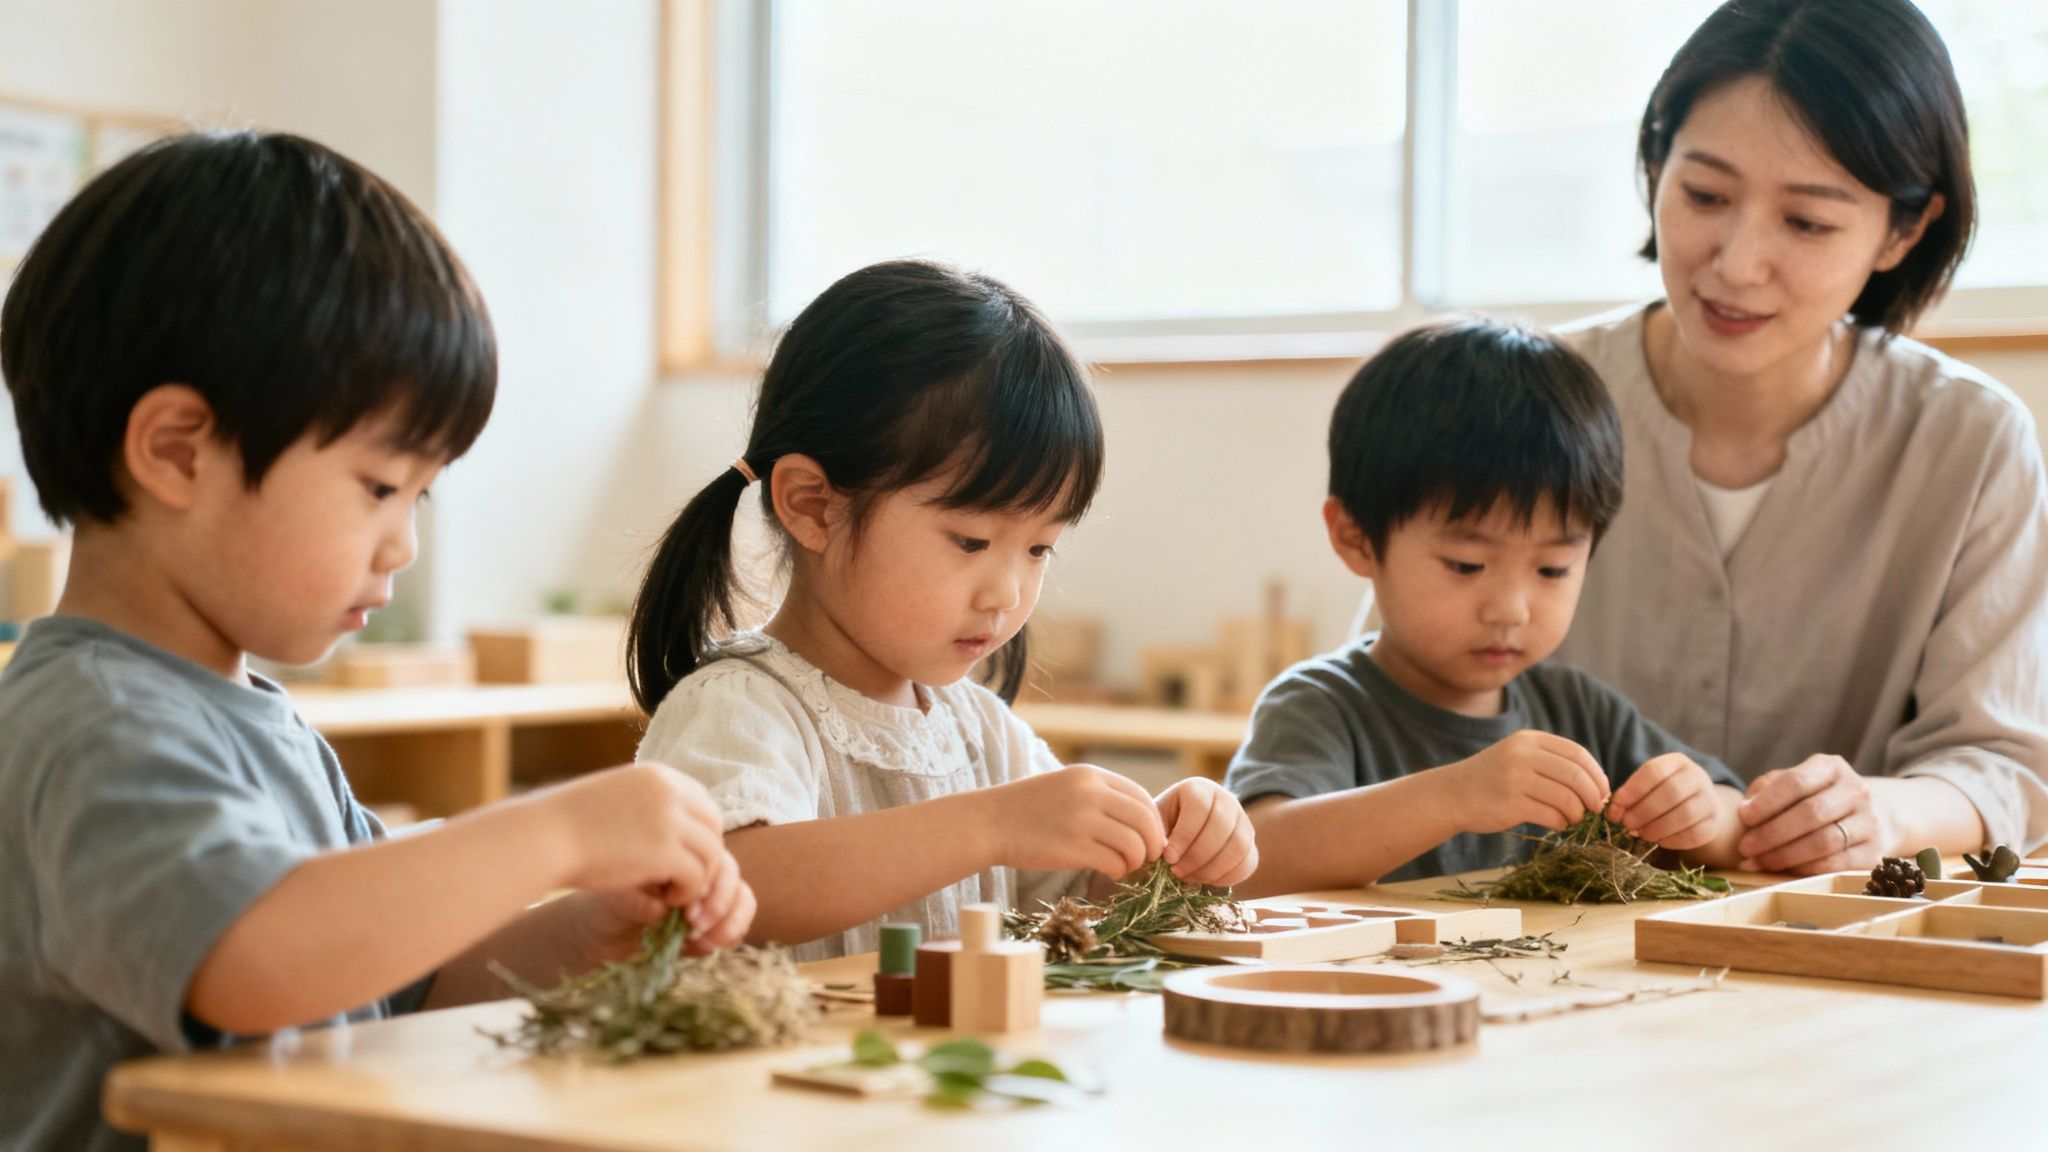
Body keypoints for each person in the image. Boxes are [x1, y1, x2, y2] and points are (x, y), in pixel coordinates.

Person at [0, 132, 752, 1152]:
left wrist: (585, 924)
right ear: (178, 451)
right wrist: (558, 831)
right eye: (379, 487)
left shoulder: (252, 717)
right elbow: (255, 963)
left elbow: (397, 985)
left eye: (421, 494)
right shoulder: (94, 727)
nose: (403, 541)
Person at [628, 259, 1258, 960]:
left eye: (1039, 550)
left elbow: (1077, 905)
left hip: (935, 1069)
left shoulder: (981, 733)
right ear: (813, 506)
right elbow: (737, 885)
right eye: (972, 540)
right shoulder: (739, 706)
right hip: (782, 1069)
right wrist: (990, 826)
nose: (1007, 593)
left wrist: (1169, 850)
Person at [1554, 0, 2048, 873]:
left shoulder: (1971, 440)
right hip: (1526, 926)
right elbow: (1399, 684)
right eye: (1704, 194)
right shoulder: (1533, 397)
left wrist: (1876, 815)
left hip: (1832, 958)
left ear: (1905, 229)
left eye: (1808, 222)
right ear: (1656, 163)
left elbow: (2002, 765)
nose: (1738, 263)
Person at [1230, 320, 1744, 895]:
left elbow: (1730, 813)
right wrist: (1456, 796)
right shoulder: (1320, 707)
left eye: (1552, 569)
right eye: (1466, 566)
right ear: (1356, 538)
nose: (1511, 610)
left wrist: (1702, 816)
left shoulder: (1579, 712)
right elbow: (1252, 859)